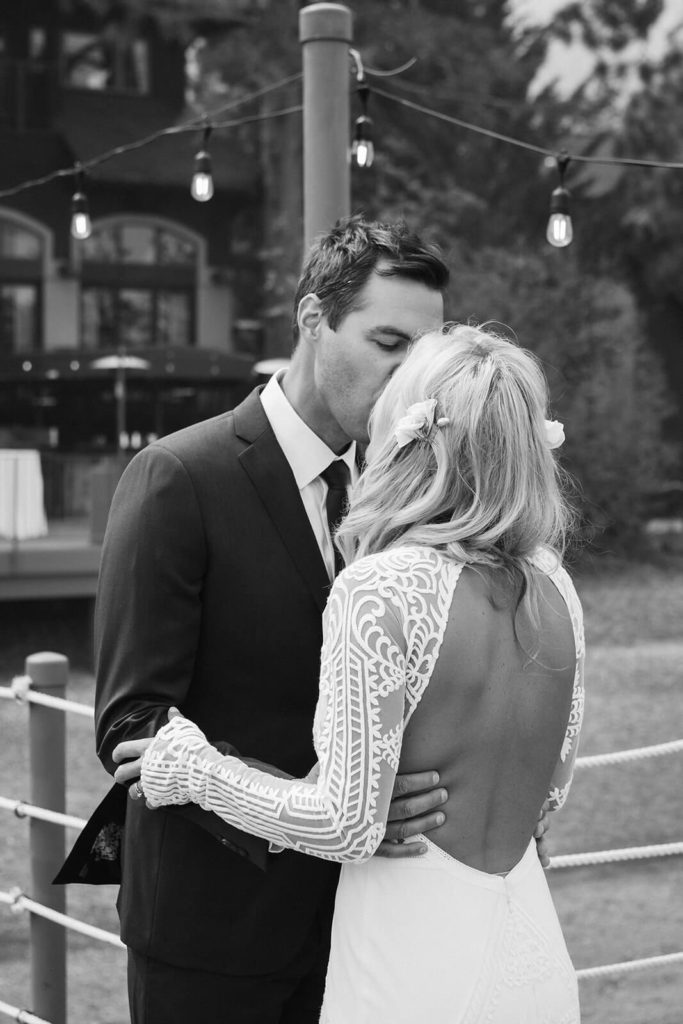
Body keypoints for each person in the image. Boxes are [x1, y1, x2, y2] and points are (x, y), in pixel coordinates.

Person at [120, 324, 584, 1024]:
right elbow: (548, 794)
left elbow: (343, 824)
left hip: (411, 961)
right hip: (530, 951)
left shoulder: (381, 590)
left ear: (412, 434)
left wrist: (190, 768)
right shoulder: (556, 587)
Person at [92, 216, 455, 1024]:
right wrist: (330, 807)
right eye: (388, 342)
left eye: (423, 355)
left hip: (368, 926)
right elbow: (130, 720)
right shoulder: (177, 477)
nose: (410, 378)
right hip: (214, 935)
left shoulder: (404, 498)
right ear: (312, 319)